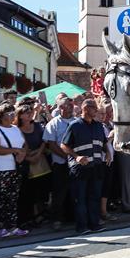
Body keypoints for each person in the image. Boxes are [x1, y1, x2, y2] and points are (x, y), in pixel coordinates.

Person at [60, 99, 108, 234]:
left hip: (96, 167)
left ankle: (94, 224)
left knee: (95, 197)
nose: (97, 111)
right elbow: (64, 145)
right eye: (94, 108)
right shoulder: (74, 125)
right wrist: (77, 157)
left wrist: (108, 152)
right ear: (85, 108)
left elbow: (103, 143)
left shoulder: (98, 126)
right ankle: (82, 227)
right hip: (80, 169)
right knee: (80, 198)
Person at [0, 103, 29, 238]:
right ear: (1, 115)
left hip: (15, 168)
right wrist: (15, 151)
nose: (12, 116)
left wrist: (22, 154)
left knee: (13, 199)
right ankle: (1, 227)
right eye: (9, 113)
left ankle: (13, 226)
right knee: (0, 200)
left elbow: (24, 144)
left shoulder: (16, 129)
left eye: (13, 113)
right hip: (0, 169)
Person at [44, 95, 76, 230]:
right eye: (68, 105)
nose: (72, 107)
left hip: (75, 163)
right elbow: (51, 144)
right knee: (59, 192)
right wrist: (65, 155)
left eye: (72, 105)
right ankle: (57, 218)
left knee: (73, 191)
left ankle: (71, 216)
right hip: (60, 163)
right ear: (61, 107)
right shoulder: (53, 123)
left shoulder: (77, 121)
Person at [16, 103, 50, 228]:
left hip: (40, 160)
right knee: (28, 191)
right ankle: (30, 216)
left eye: (31, 111)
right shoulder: (17, 129)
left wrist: (38, 154)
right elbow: (21, 146)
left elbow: (44, 141)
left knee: (41, 190)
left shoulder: (37, 126)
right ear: (20, 116)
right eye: (26, 112)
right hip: (26, 163)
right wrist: (29, 157)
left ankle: (40, 213)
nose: (30, 113)